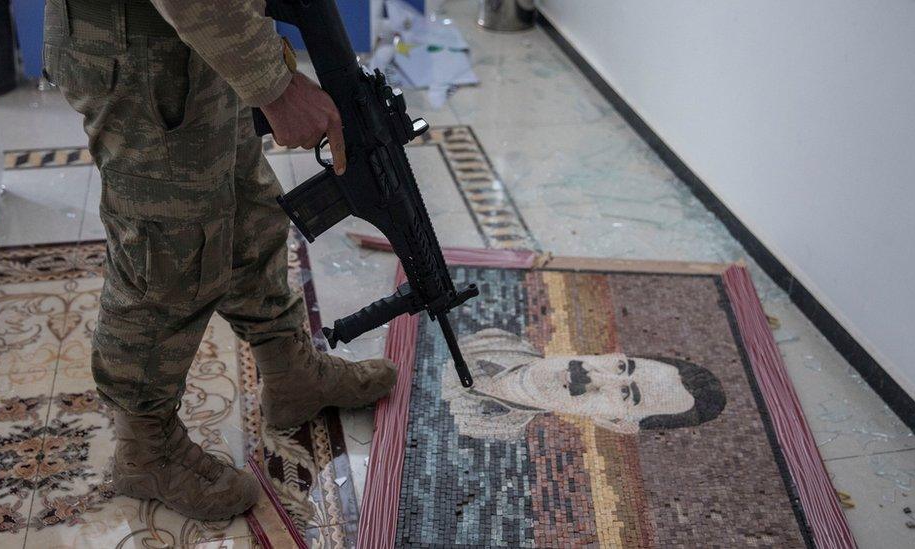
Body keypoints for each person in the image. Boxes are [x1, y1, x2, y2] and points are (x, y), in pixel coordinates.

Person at [42, 0, 398, 521]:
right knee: (167, 250)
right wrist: (275, 85)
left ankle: (290, 372)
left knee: (248, 211)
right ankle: (145, 449)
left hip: (202, 35)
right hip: (140, 45)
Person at [441, 329, 725, 440]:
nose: (591, 376)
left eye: (626, 393)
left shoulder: (488, 432)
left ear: (615, 423)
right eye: (621, 366)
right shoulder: (494, 337)